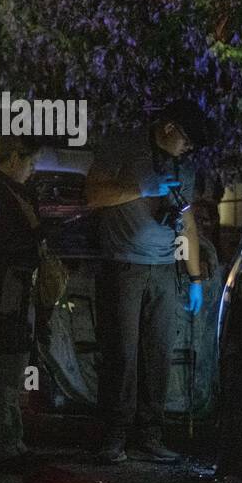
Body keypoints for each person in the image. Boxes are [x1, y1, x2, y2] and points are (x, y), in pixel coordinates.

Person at [85, 99, 209, 464]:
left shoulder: (183, 166)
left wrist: (195, 277)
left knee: (158, 356)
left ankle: (150, 435)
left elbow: (187, 223)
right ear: (168, 128)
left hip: (164, 270)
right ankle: (114, 436)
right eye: (186, 141)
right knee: (121, 354)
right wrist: (143, 188)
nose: (189, 150)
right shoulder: (122, 147)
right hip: (123, 267)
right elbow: (93, 195)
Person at [0, 135, 44, 469]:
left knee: (13, 368)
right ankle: (2, 447)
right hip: (6, 283)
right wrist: (37, 239)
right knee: (6, 368)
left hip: (11, 282)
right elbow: (6, 242)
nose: (32, 170)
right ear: (14, 159)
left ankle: (12, 443)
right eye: (30, 162)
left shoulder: (6, 189)